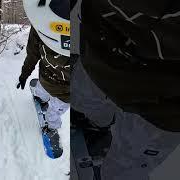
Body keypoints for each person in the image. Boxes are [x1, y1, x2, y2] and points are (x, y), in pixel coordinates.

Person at [73, 0, 180, 179]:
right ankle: (96, 126)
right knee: (86, 105)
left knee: (124, 170)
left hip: (163, 107)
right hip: (100, 60)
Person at [17, 0, 73, 145]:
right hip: (67, 91)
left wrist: (25, 74)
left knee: (42, 91)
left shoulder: (43, 21)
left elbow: (32, 54)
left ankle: (41, 99)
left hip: (47, 78)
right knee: (54, 111)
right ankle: (51, 127)